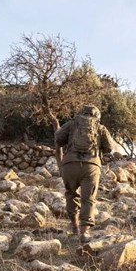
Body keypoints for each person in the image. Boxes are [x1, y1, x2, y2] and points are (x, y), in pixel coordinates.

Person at [54, 104, 116, 243]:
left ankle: (74, 226)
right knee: (88, 198)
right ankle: (84, 232)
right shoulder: (100, 127)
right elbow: (110, 148)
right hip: (91, 166)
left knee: (71, 194)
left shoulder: (71, 124)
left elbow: (58, 138)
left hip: (70, 165)